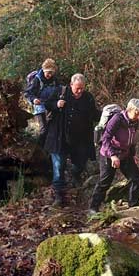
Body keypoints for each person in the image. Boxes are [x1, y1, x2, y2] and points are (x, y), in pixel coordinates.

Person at [44, 73, 100, 206]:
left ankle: (75, 174)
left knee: (81, 162)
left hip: (80, 139)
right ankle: (59, 195)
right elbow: (47, 104)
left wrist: (109, 114)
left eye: (82, 88)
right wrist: (56, 104)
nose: (79, 91)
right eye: (77, 88)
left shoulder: (88, 97)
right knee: (58, 167)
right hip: (59, 138)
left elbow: (94, 114)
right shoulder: (60, 92)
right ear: (71, 85)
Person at [88, 99, 139, 214]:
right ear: (130, 110)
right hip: (109, 154)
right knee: (105, 181)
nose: (138, 117)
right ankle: (93, 207)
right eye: (137, 113)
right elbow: (106, 138)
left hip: (125, 154)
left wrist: (133, 154)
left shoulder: (135, 121)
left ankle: (133, 204)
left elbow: (131, 140)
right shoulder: (117, 119)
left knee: (135, 177)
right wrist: (113, 156)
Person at [24, 58, 59, 146]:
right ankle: (40, 147)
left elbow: (59, 91)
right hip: (39, 107)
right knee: (44, 129)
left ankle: (49, 148)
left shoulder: (55, 80)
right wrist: (34, 99)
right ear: (43, 70)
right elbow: (28, 93)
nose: (49, 75)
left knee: (52, 128)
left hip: (51, 105)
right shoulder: (37, 79)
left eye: (51, 73)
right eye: (48, 72)